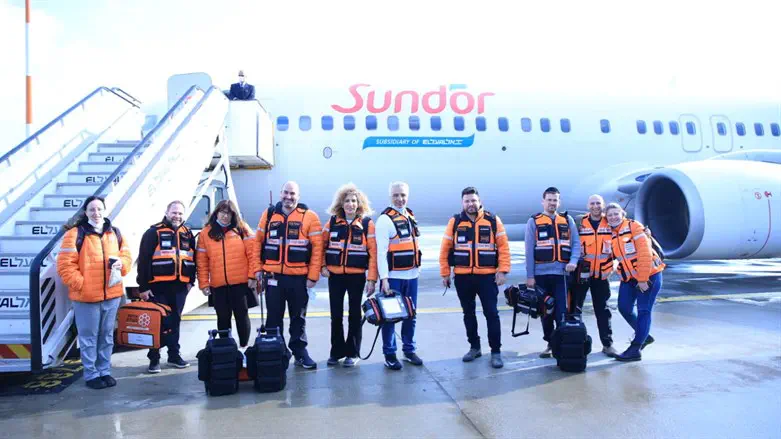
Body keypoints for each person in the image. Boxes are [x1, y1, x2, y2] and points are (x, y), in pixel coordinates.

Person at [56, 196, 132, 390]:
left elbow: (127, 256)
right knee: (89, 337)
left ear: (105, 210)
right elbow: (65, 265)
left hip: (111, 295)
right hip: (86, 297)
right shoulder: (75, 233)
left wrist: (121, 264)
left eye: (99, 209)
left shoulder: (115, 233)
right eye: (92, 209)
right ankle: (91, 374)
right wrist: (82, 285)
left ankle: (104, 371)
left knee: (106, 336)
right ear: (86, 212)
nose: (96, 213)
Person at [255, 181, 323, 369]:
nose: (288, 197)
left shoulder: (310, 217)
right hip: (273, 277)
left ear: (298, 196)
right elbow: (257, 243)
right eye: (286, 192)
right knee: (273, 318)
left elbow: (317, 249)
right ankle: (276, 353)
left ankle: (300, 352)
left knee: (298, 319)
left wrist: (313, 276)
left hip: (298, 279)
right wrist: (257, 270)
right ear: (280, 193)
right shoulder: (268, 215)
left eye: (292, 194)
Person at [439, 187, 510, 369]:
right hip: (463, 278)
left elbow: (503, 247)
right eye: (467, 201)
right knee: (468, 314)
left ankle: (496, 352)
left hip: (487, 278)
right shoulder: (455, 222)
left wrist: (502, 271)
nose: (470, 204)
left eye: (473, 200)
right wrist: (445, 273)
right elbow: (445, 249)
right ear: (462, 203)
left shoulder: (492, 220)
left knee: (491, 314)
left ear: (479, 201)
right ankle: (474, 347)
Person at [321, 183, 378, 367]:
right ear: (341, 203)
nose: (350, 204)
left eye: (354, 201)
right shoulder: (332, 223)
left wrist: (371, 279)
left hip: (356, 277)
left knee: (354, 314)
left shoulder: (367, 224)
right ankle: (336, 352)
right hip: (335, 277)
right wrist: (322, 266)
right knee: (336, 315)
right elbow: (320, 246)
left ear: (359, 204)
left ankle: (353, 353)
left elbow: (373, 253)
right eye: (347, 201)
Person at [136, 200, 196, 373]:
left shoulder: (187, 233)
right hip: (157, 287)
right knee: (157, 322)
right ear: (167, 213)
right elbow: (143, 261)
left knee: (175, 322)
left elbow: (194, 259)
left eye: (180, 213)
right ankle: (154, 358)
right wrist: (143, 287)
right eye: (174, 212)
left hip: (180, 287)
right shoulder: (153, 232)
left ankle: (174, 355)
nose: (177, 216)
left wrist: (191, 281)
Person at [525, 187, 582, 358]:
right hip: (541, 276)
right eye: (549, 200)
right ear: (543, 201)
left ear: (559, 202)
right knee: (546, 311)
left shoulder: (567, 220)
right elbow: (529, 251)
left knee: (562, 311)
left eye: (555, 200)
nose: (552, 203)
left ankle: (561, 343)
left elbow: (576, 244)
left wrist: (573, 261)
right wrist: (530, 276)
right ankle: (550, 343)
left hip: (561, 275)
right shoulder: (533, 221)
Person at [604, 203, 665, 361]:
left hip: (649, 275)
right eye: (610, 215)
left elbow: (645, 253)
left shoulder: (634, 227)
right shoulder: (611, 233)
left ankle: (635, 349)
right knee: (624, 308)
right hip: (629, 278)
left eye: (616, 214)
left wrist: (643, 279)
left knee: (644, 310)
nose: (613, 217)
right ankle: (645, 335)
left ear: (622, 213)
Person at [195, 200, 259, 348]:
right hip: (218, 285)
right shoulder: (206, 233)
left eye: (229, 213)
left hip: (240, 284)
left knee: (242, 316)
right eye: (222, 212)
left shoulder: (242, 229)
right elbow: (202, 261)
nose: (225, 216)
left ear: (234, 215)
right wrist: (204, 283)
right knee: (222, 318)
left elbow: (253, 254)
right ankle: (226, 349)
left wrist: (252, 276)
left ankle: (243, 347)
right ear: (216, 213)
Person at [375, 181, 424, 370]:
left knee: (411, 315)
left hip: (412, 276)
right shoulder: (384, 220)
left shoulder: (410, 216)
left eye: (403, 195)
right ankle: (389, 354)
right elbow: (381, 253)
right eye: (396, 195)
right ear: (390, 196)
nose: (399, 199)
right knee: (390, 317)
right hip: (394, 277)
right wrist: (384, 279)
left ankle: (409, 350)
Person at [571, 194, 617, 357]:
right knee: (575, 309)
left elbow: (623, 239)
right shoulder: (579, 223)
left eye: (598, 203)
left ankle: (607, 344)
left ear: (603, 205)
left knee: (603, 311)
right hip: (582, 274)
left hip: (602, 275)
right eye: (592, 203)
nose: (595, 206)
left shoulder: (610, 222)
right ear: (587, 206)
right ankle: (574, 342)